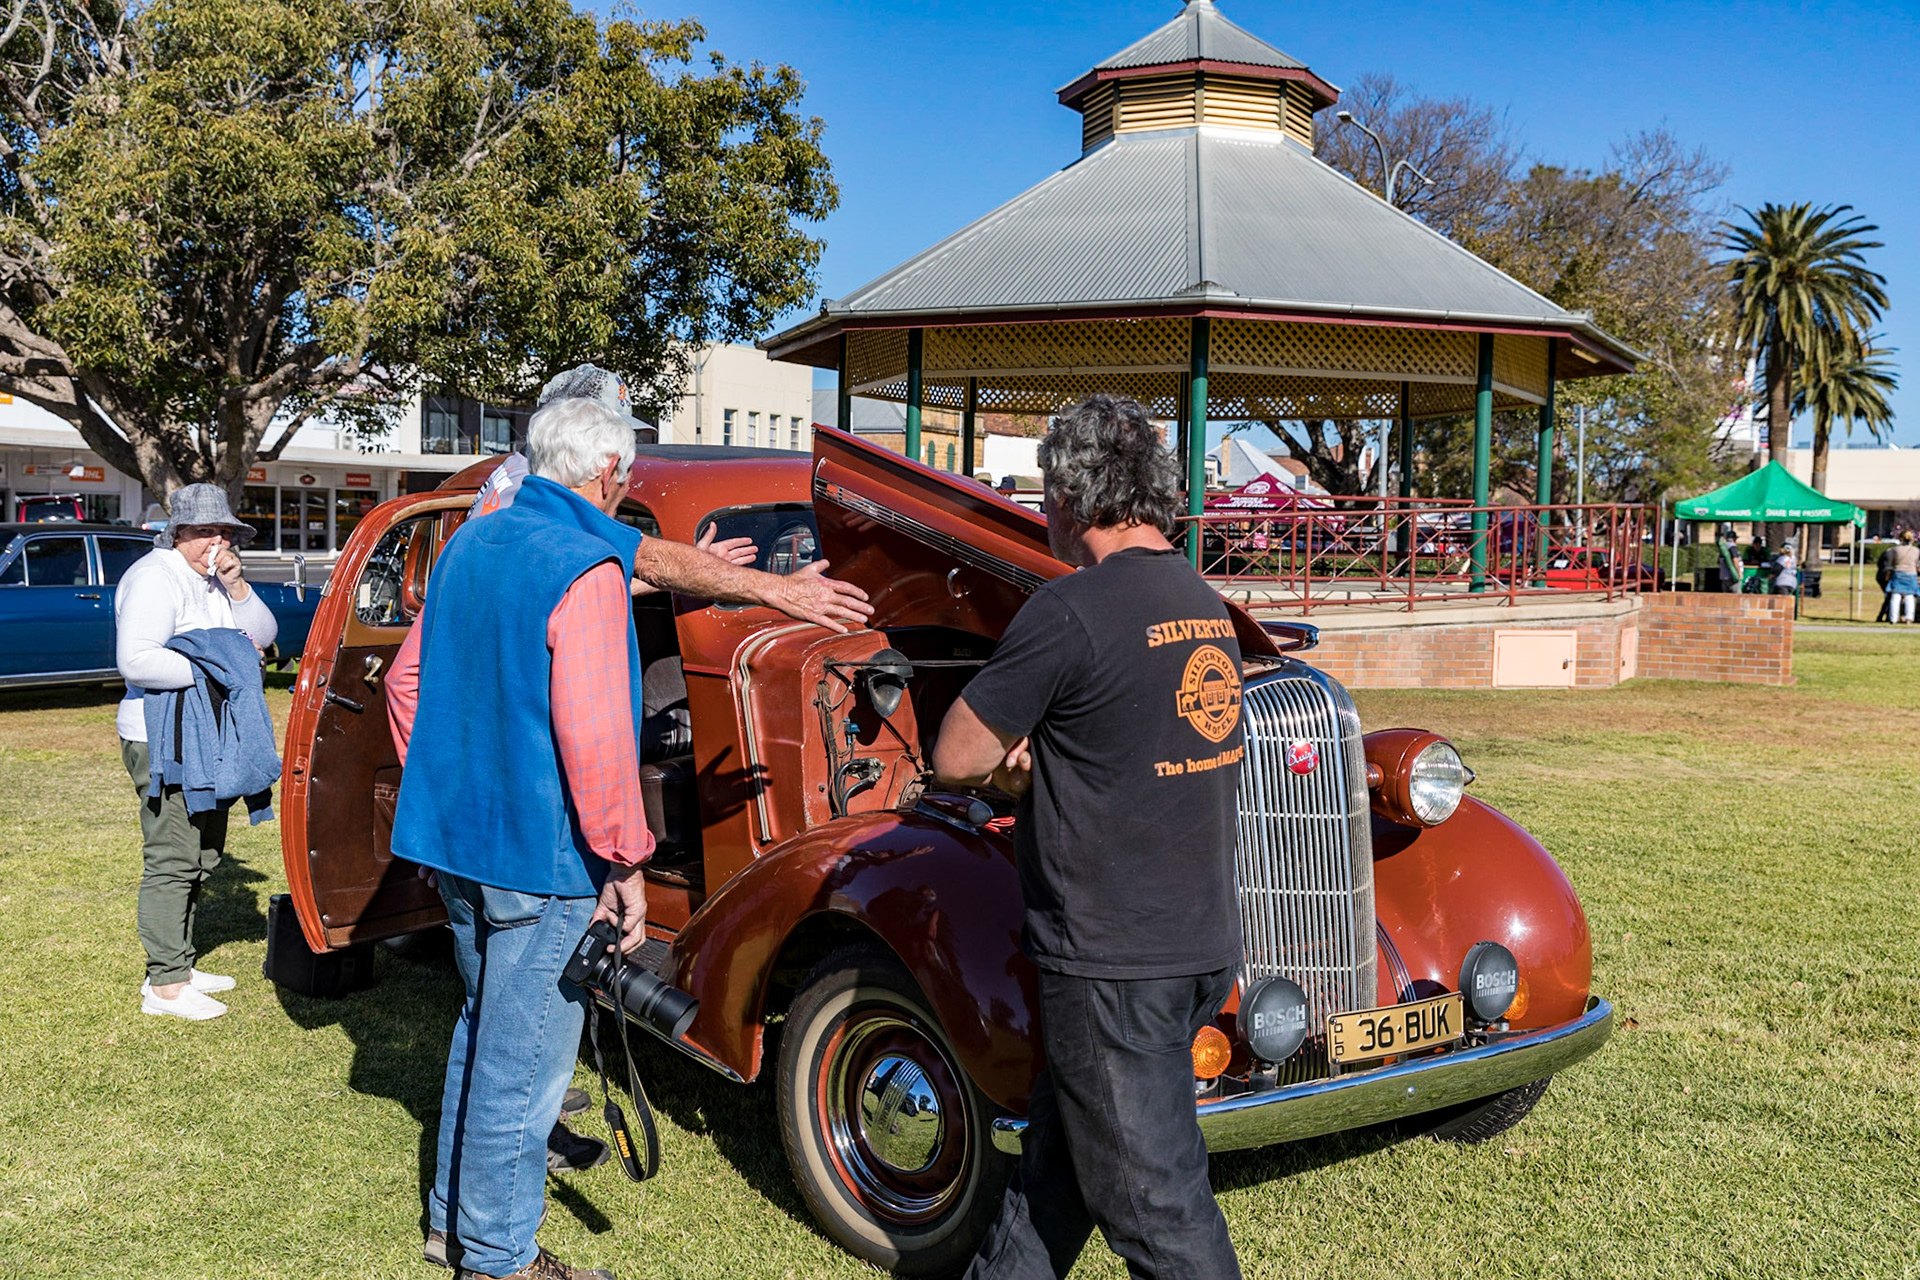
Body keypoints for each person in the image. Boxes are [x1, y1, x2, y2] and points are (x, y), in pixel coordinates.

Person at [392, 394, 871, 1280]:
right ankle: (496, 1258)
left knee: (482, 1027)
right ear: (609, 472)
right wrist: (626, 864)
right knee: (526, 1064)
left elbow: (405, 679)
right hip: (540, 856)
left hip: (454, 842)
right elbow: (597, 740)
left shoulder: (470, 542)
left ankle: (451, 1223)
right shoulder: (582, 567)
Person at [932, 393, 1246, 1280]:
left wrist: (1011, 770)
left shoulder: (1071, 609)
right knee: (1060, 1168)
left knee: (1157, 1208)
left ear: (1069, 499)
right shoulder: (1201, 599)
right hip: (1196, 941)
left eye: (1043, 497)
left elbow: (954, 754)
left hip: (1114, 959)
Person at [113, 484, 279, 1021]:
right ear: (178, 533)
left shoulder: (210, 580)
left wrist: (235, 585)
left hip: (206, 733)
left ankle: (179, 966)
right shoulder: (155, 577)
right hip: (163, 736)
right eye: (206, 531)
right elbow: (137, 661)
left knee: (203, 853)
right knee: (172, 858)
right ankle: (163, 985)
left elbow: (264, 637)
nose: (218, 541)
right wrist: (219, 669)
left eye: (225, 531)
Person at [1886, 529, 1920, 624]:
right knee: (1909, 596)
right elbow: (1916, 563)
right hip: (1911, 573)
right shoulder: (1916, 550)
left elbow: (1891, 562)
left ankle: (1893, 618)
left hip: (1898, 573)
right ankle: (1909, 618)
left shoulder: (1895, 550)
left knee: (1895, 596)